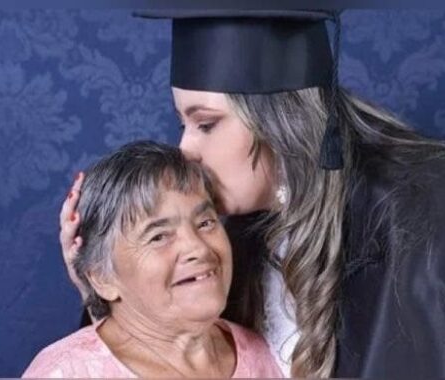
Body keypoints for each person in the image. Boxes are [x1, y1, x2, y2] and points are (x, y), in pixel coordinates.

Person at [59, 10, 445, 378]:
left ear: (279, 119)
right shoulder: (231, 230)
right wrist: (107, 288)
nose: (185, 149)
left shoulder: (443, 218)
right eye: (183, 123)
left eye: (206, 124)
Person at [25, 141, 282, 378]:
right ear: (102, 277)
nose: (197, 247)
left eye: (205, 222)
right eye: (159, 236)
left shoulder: (262, 358)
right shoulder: (67, 372)